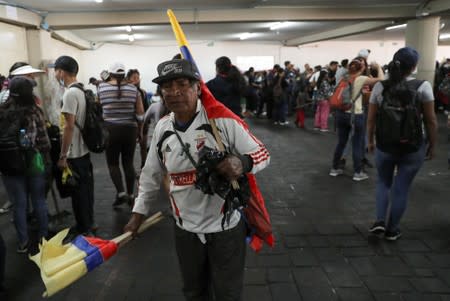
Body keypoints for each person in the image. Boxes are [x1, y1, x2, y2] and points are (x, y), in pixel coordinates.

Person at [124, 58, 270, 300]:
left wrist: (241, 163)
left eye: (182, 84)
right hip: (185, 229)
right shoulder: (162, 128)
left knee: (228, 293)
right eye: (167, 87)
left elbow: (263, 153)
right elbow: (150, 176)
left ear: (197, 87)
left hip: (224, 227)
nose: (174, 92)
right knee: (193, 292)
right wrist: (137, 217)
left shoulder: (221, 120)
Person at [367, 47, 437, 240]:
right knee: (402, 188)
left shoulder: (380, 87)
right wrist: (432, 144)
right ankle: (392, 229)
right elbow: (431, 120)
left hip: (385, 144)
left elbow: (371, 118)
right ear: (414, 66)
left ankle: (380, 220)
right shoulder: (423, 86)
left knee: (383, 182)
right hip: (413, 146)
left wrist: (370, 140)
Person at [1, 76, 50, 253]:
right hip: (33, 162)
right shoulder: (34, 111)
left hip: (9, 164)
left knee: (19, 204)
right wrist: (45, 157)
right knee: (39, 200)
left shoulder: (2, 111)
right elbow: (44, 141)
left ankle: (23, 242)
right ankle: (43, 238)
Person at [55, 55, 95, 236]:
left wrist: (63, 156)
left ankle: (84, 229)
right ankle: (88, 224)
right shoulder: (82, 90)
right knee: (86, 191)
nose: (56, 74)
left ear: (61, 72)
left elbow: (68, 126)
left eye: (56, 71)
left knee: (79, 194)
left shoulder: (70, 94)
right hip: (84, 150)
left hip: (74, 153)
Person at [97, 63, 144, 207]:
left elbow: (98, 107)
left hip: (110, 130)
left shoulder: (102, 88)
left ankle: (120, 192)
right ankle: (131, 194)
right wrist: (140, 132)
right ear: (124, 75)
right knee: (128, 163)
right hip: (130, 130)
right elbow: (140, 114)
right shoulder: (133, 89)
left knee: (112, 163)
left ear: (110, 74)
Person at [329, 58, 383, 181]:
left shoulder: (344, 78)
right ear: (362, 68)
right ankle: (358, 172)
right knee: (357, 144)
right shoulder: (361, 79)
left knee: (341, 142)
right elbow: (381, 80)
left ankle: (334, 168)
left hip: (341, 114)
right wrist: (379, 68)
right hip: (355, 115)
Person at [126, 68, 148, 168]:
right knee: (130, 149)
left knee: (143, 146)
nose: (137, 79)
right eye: (134, 77)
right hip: (131, 125)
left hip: (144, 124)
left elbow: (147, 109)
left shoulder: (143, 93)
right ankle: (131, 169)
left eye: (138, 77)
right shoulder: (126, 92)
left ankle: (144, 166)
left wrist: (144, 124)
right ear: (128, 79)